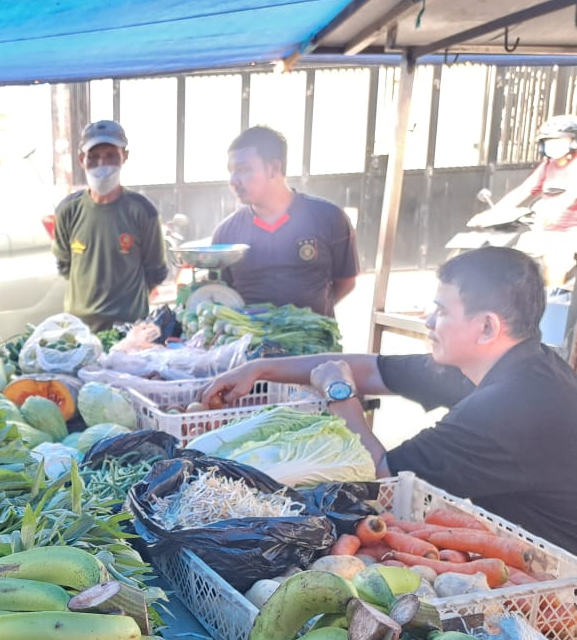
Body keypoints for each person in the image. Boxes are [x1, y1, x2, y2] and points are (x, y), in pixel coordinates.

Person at [201, 246, 577, 553]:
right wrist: (261, 369)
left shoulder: (510, 406)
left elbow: (385, 478)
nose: (429, 321)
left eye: (442, 311)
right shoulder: (511, 362)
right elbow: (373, 369)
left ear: (487, 327)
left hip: (557, 581)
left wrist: (340, 393)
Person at [213, 125, 359, 317]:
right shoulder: (226, 232)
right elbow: (222, 293)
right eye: (231, 171)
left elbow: (346, 281)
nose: (233, 180)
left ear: (274, 168)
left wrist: (304, 321)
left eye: (243, 169)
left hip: (315, 344)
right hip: (249, 344)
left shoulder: (329, 217)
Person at [52, 119, 167, 332]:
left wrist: (127, 305)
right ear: (81, 160)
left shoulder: (142, 211)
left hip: (128, 330)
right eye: (93, 157)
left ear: (125, 156)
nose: (102, 164)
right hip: (79, 330)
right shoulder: (68, 210)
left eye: (111, 156)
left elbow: (156, 271)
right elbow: (64, 264)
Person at [471, 114, 577, 285]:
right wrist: (492, 213)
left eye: (559, 141)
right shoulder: (548, 166)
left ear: (573, 141)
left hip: (570, 232)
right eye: (548, 141)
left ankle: (552, 302)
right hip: (544, 230)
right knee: (517, 260)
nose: (553, 146)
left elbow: (571, 194)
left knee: (554, 261)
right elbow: (522, 191)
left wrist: (551, 212)